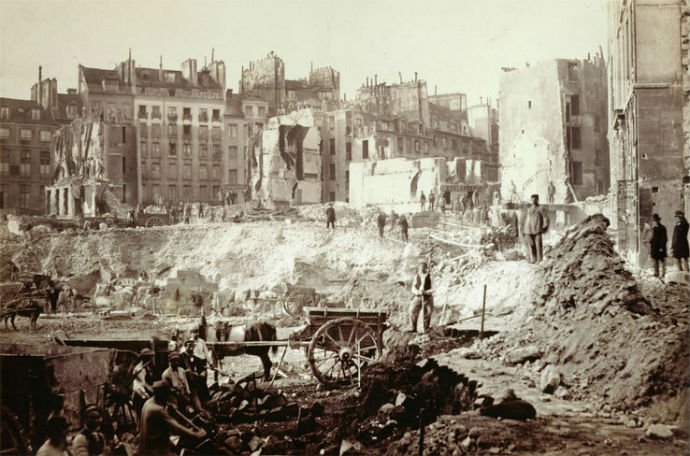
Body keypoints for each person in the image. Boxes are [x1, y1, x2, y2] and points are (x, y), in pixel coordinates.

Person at [139, 381, 206, 456]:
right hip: (156, 451)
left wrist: (168, 404)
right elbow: (176, 426)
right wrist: (195, 434)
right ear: (163, 394)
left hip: (147, 446)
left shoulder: (148, 402)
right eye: (167, 394)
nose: (169, 396)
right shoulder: (157, 410)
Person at [522, 194, 550, 263]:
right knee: (531, 245)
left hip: (537, 229)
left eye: (535, 200)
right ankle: (533, 259)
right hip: (529, 229)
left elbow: (545, 217)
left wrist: (545, 226)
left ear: (537, 200)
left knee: (538, 245)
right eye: (532, 200)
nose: (533, 201)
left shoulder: (541, 208)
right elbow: (527, 219)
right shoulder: (529, 209)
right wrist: (525, 229)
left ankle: (539, 260)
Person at [410, 261, 433, 333]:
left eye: (423, 268)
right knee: (412, 310)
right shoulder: (416, 277)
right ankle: (413, 328)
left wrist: (426, 292)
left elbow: (434, 288)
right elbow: (413, 287)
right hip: (418, 296)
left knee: (427, 312)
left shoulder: (430, 277)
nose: (421, 269)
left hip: (427, 297)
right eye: (420, 268)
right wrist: (417, 292)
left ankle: (426, 329)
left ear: (426, 268)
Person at [132, 348, 156, 416]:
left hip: (147, 393)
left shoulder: (149, 368)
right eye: (149, 357)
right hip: (141, 394)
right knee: (142, 415)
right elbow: (143, 383)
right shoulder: (139, 369)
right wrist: (153, 392)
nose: (151, 359)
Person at [650, 213, 668, 278]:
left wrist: (661, 247)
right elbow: (653, 238)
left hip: (660, 247)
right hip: (655, 247)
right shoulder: (654, 229)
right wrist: (650, 241)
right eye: (654, 220)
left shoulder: (662, 228)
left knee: (662, 260)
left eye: (656, 220)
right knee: (655, 260)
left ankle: (663, 273)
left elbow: (664, 238)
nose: (655, 222)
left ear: (658, 220)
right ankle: (656, 273)